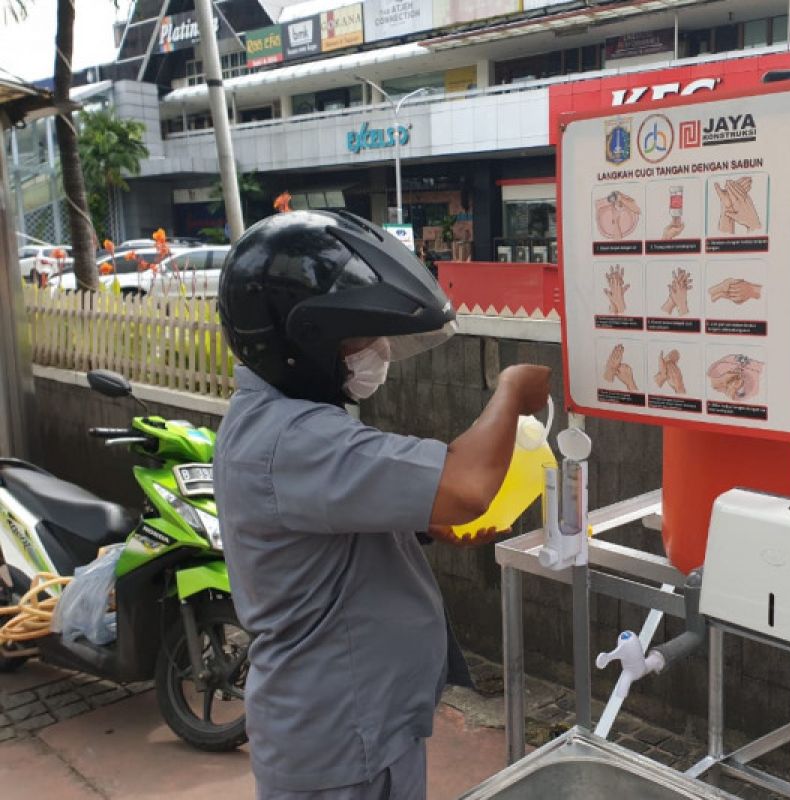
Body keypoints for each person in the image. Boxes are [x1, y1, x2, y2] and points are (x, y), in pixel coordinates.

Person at [213, 209, 550, 799]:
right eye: (360, 339)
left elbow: (333, 529)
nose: (377, 352)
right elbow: (465, 485)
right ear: (305, 341)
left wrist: (425, 529)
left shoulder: (279, 424)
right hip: (338, 743)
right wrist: (512, 390)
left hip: (364, 728)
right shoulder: (294, 439)